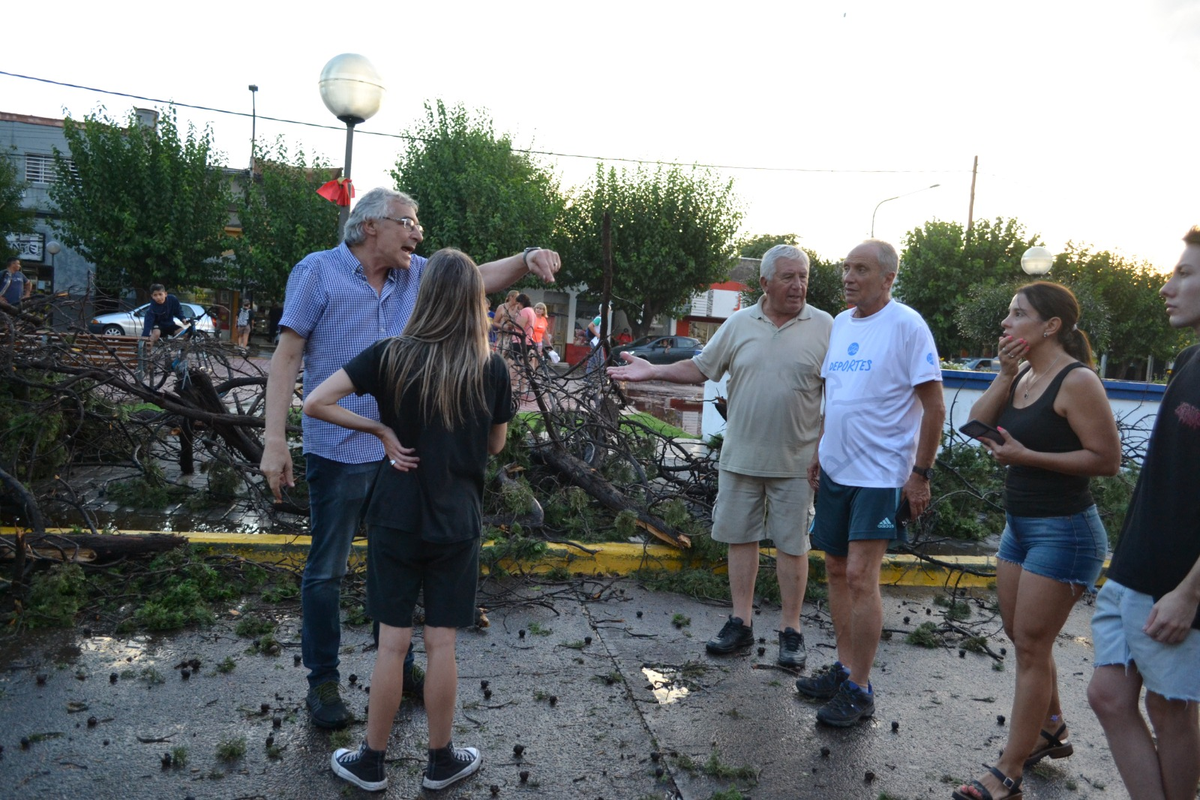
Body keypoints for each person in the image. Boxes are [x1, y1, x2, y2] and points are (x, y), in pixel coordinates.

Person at [260, 187, 560, 729]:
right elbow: (285, 359)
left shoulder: (414, 273)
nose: (419, 232)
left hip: (402, 457)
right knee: (326, 571)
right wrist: (275, 440)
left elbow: (471, 278)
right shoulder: (316, 272)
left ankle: (396, 669)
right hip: (338, 449)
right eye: (409, 222)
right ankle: (323, 682)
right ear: (371, 225)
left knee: (394, 563)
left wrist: (525, 258)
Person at [306, 248, 511, 794]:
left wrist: (382, 433)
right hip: (456, 520)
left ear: (425, 296)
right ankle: (441, 761)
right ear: (474, 300)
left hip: (395, 516)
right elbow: (495, 442)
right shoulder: (490, 367)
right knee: (441, 643)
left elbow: (316, 402)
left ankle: (370, 764)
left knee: (393, 644)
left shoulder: (391, 355)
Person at [609, 244, 832, 667]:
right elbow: (701, 367)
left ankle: (791, 631)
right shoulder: (738, 324)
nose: (798, 285)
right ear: (764, 283)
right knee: (739, 538)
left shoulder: (825, 327)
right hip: (741, 457)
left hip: (796, 462)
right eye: (788, 277)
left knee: (792, 544)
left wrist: (824, 447)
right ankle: (740, 623)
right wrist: (652, 370)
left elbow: (837, 395)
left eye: (803, 276)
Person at [953, 282, 1120, 800]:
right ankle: (1052, 730)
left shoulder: (1078, 381)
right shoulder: (1024, 374)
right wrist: (1004, 374)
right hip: (1020, 528)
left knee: (1030, 645)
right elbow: (976, 423)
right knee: (1024, 638)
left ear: (1050, 326)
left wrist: (1028, 458)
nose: (1006, 323)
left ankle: (1009, 770)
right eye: (1007, 313)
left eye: (1017, 314)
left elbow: (1107, 461)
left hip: (1066, 533)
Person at [796, 239, 944, 726]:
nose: (848, 276)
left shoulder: (906, 325)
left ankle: (860, 688)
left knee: (861, 575)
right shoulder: (840, 324)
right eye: (845, 267)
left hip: (880, 474)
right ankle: (843, 669)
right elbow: (835, 396)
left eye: (861, 269)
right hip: (837, 469)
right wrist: (820, 449)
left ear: (888, 278)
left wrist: (919, 476)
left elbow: (934, 407)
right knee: (836, 570)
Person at [1087, 227, 1200, 800]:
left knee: (1171, 708)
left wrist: (1190, 593)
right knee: (1108, 696)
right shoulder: (1189, 358)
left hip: (1179, 586)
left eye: (1184, 274)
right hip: (1134, 570)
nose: (1166, 286)